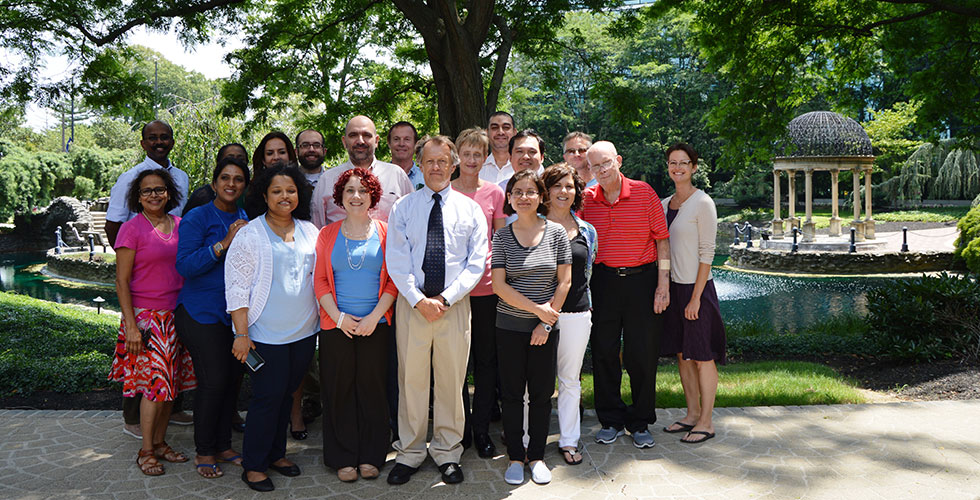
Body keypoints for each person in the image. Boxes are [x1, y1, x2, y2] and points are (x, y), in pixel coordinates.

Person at [386, 136, 487, 486]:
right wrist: (418, 299)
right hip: (412, 305)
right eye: (429, 161)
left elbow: (476, 263)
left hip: (453, 307)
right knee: (411, 381)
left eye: (443, 161)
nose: (436, 167)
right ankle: (410, 452)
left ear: (453, 164)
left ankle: (447, 452)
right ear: (420, 164)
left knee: (450, 382)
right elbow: (397, 259)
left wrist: (444, 299)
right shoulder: (403, 208)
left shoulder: (470, 210)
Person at [226, 165, 320, 492]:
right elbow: (236, 288)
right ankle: (254, 465)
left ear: (299, 194)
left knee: (286, 396)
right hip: (264, 336)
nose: (284, 196)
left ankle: (277, 454)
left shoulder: (310, 231)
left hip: (304, 333)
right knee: (267, 398)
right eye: (276, 191)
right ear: (264, 195)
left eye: (290, 190)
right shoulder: (250, 235)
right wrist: (241, 335)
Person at [104, 120, 192, 438]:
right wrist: (135, 254)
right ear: (143, 143)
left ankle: (164, 423)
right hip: (145, 298)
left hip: (173, 298)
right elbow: (114, 224)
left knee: (169, 369)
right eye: (152, 138)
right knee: (144, 370)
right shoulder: (130, 178)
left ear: (172, 141)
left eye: (164, 137)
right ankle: (136, 425)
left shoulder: (181, 178)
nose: (159, 142)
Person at [579, 140, 670, 449]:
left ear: (618, 160)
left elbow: (662, 241)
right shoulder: (587, 199)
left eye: (606, 163)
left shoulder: (644, 193)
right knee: (604, 352)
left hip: (642, 282)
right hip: (603, 282)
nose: (602, 170)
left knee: (641, 354)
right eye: (595, 166)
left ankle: (640, 421)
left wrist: (663, 285)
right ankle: (611, 420)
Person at [314, 168, 398, 482]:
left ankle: (372, 455)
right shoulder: (327, 234)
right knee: (339, 390)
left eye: (363, 190)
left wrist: (375, 317)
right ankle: (343, 456)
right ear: (340, 197)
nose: (356, 196)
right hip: (336, 326)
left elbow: (393, 281)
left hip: (376, 325)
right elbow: (320, 282)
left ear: (373, 196)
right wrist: (339, 318)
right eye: (350, 190)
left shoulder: (386, 232)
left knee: (373, 389)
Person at [491, 169, 571, 485]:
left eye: (530, 191)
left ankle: (536, 457)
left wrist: (544, 324)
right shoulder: (502, 236)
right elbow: (499, 285)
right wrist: (538, 311)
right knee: (511, 395)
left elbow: (564, 282)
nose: (524, 197)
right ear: (510, 198)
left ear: (541, 196)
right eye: (518, 192)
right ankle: (515, 457)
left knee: (541, 395)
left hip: (545, 330)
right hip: (509, 327)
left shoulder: (556, 233)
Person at [174, 156, 250, 478]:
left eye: (238, 179)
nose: (231, 184)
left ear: (245, 186)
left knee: (231, 382)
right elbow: (185, 266)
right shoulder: (197, 217)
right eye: (225, 178)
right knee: (214, 380)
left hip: (233, 315)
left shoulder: (245, 217)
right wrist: (224, 244)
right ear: (215, 183)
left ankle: (223, 445)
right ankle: (204, 451)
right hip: (199, 312)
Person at [658, 143, 726, 444]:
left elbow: (707, 253)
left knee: (702, 356)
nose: (678, 168)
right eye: (672, 163)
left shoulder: (703, 203)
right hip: (672, 288)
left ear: (694, 167)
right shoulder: (663, 204)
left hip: (696, 289)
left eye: (684, 163)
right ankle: (692, 414)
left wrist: (696, 298)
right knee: (683, 355)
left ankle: (707, 422)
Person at [451, 128, 506, 459]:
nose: (471, 160)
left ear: (485, 158)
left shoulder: (494, 193)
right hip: (453, 292)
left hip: (486, 289)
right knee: (456, 364)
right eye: (466, 153)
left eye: (477, 154)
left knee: (486, 362)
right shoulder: (445, 191)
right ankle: (461, 430)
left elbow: (500, 240)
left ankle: (482, 429)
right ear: (457, 156)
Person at [542, 162, 597, 465]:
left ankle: (569, 440)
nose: (563, 191)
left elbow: (588, 271)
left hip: (576, 313)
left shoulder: (587, 231)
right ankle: (528, 439)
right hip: (538, 314)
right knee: (534, 382)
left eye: (569, 186)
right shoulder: (532, 226)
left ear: (577, 191)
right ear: (546, 191)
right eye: (557, 186)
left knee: (570, 380)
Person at [310, 115, 414, 228]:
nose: (360, 141)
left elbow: (413, 219)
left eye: (367, 135)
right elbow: (316, 229)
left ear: (376, 141)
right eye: (353, 135)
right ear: (344, 142)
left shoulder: (396, 175)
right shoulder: (327, 179)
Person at [183, 143, 249, 216]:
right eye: (230, 159)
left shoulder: (250, 196)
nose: (235, 163)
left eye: (241, 160)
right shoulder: (201, 197)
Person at [480, 111, 517, 184]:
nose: (500, 132)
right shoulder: (476, 167)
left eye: (506, 127)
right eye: (494, 128)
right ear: (487, 133)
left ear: (514, 132)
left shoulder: (524, 166)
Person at [388, 121, 423, 190]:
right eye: (396, 139)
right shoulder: (378, 176)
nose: (401, 144)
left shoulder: (426, 179)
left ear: (415, 144)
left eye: (407, 139)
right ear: (389, 143)